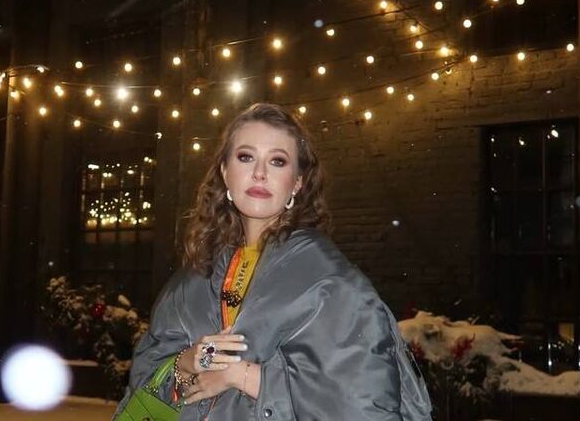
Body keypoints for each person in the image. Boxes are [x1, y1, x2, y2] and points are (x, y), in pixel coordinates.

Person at [115, 102, 431, 420]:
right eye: (246, 157)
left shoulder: (326, 279)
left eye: (277, 161)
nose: (260, 173)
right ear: (225, 172)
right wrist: (187, 362)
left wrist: (241, 376)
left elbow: (362, 399)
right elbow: (147, 387)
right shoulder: (194, 277)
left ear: (298, 182)